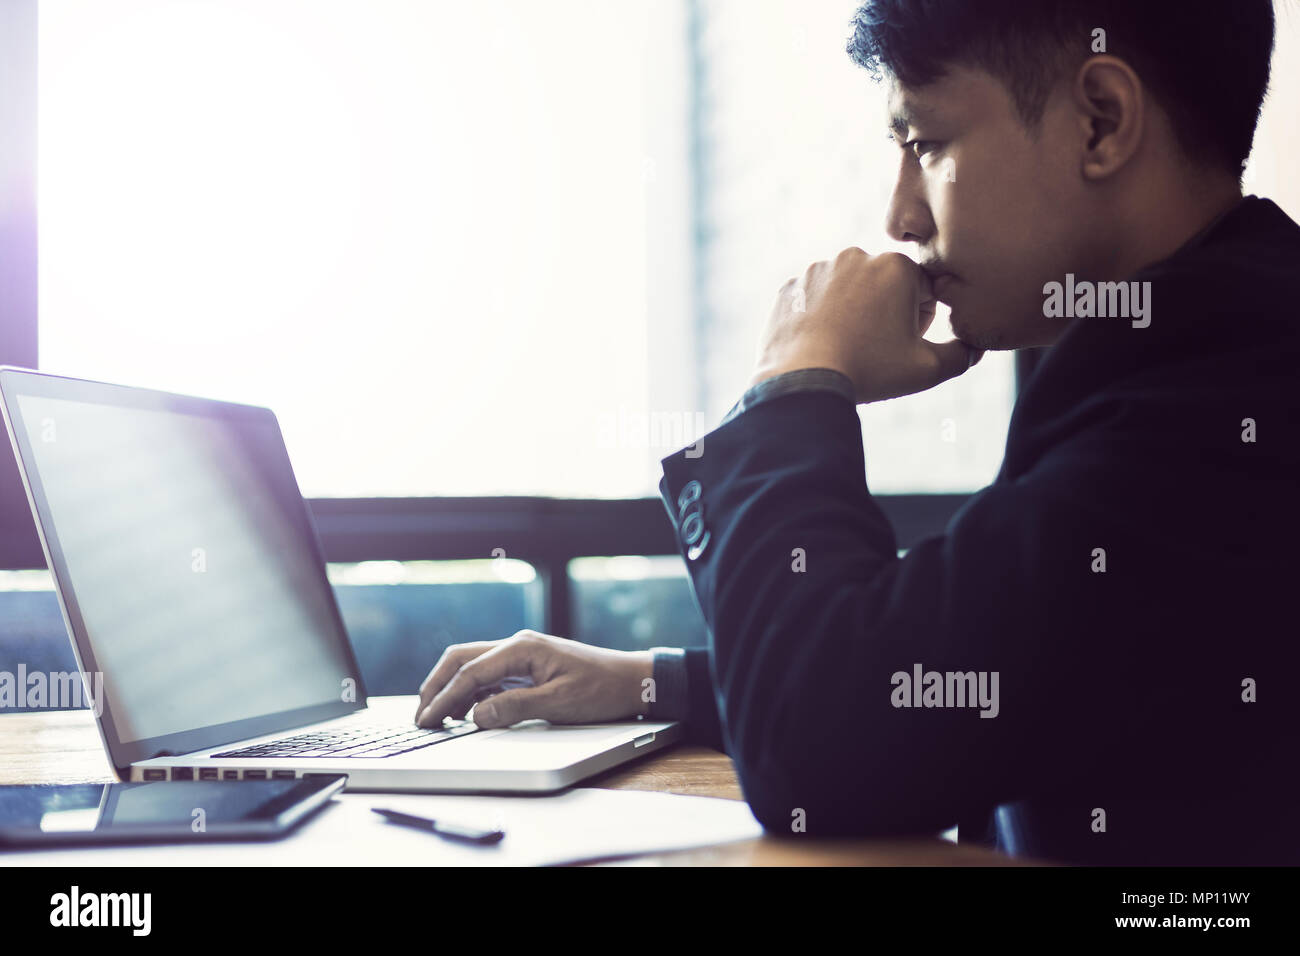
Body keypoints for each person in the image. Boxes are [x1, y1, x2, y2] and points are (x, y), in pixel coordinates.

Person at [413, 0, 1299, 864]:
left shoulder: (1222, 385)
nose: (901, 217)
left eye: (926, 143)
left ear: (1100, 122)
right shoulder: (1205, 348)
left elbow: (826, 753)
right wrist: (654, 683)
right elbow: (972, 668)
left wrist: (796, 381)